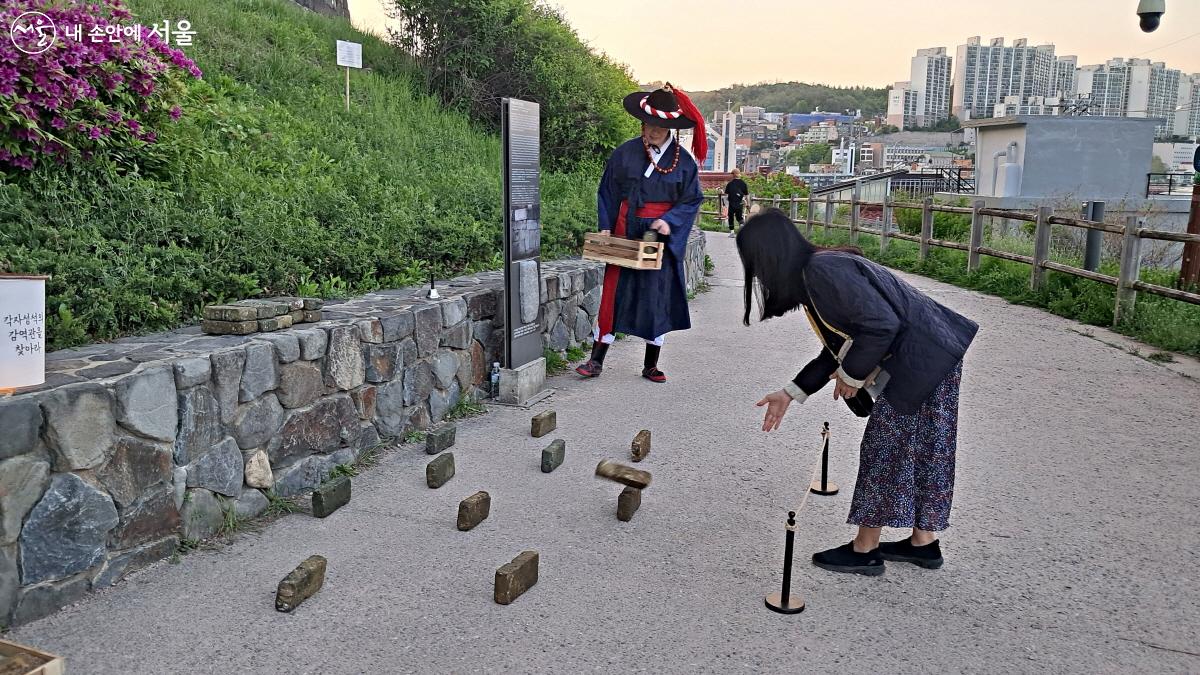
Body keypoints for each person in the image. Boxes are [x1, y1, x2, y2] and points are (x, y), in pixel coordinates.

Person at [737, 209, 978, 576]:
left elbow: (881, 325)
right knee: (928, 449)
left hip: (921, 360)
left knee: (884, 450)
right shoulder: (817, 273)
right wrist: (789, 393)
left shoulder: (823, 271)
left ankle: (865, 549)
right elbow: (835, 347)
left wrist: (851, 375)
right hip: (933, 354)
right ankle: (923, 543)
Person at [575, 84, 706, 383]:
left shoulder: (683, 162)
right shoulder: (624, 153)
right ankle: (596, 360)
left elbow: (691, 199)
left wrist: (669, 220)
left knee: (655, 296)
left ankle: (651, 364)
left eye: (660, 126)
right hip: (624, 229)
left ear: (670, 126)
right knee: (613, 294)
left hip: (658, 237)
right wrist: (606, 224)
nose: (653, 130)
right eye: (649, 124)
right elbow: (607, 192)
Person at [723, 168, 749, 237]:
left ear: (733, 175)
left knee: (731, 217)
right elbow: (746, 195)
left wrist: (725, 204)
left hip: (731, 203)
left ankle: (732, 232)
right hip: (740, 203)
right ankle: (742, 226)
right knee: (739, 217)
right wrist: (747, 202)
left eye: (732, 174)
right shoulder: (743, 183)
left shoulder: (730, 184)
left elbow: (726, 195)